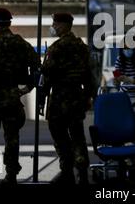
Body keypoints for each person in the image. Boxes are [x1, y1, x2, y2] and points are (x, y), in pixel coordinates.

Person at [0, 8, 40, 184]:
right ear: (9, 23)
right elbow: (37, 67)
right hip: (12, 96)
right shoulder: (20, 43)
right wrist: (28, 88)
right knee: (12, 138)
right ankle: (11, 175)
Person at [40, 13, 93, 184]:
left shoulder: (56, 48)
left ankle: (67, 171)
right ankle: (83, 173)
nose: (53, 27)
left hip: (59, 99)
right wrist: (89, 96)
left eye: (55, 23)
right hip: (77, 97)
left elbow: (46, 76)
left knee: (60, 135)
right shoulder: (82, 47)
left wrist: (41, 98)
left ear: (63, 25)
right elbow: (89, 76)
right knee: (78, 136)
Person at [114, 40, 135, 105]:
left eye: (129, 48)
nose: (127, 50)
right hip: (123, 95)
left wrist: (130, 80)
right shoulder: (119, 59)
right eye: (125, 48)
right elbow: (116, 75)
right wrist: (116, 80)